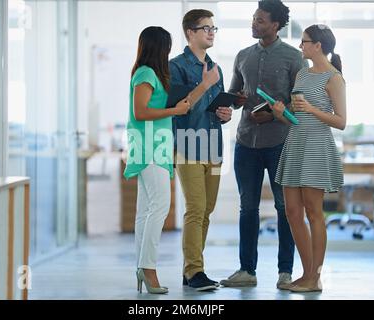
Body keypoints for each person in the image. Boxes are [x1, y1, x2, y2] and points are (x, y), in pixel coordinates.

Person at [124, 26, 220, 294]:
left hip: (158, 150)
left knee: (146, 211)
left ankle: (142, 267)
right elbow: (140, 112)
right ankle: (149, 268)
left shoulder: (155, 75)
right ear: (159, 47)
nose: (169, 52)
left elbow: (182, 105)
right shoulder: (145, 74)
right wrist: (174, 110)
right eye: (166, 47)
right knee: (159, 208)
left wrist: (203, 87)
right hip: (149, 149)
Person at [220, 0, 306, 290]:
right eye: (253, 18)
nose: (254, 23)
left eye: (260, 20)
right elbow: (232, 95)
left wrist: (274, 113)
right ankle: (247, 270)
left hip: (280, 143)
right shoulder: (243, 56)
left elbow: (300, 103)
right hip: (245, 142)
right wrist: (234, 102)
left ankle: (285, 272)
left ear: (275, 25)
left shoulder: (294, 58)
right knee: (247, 208)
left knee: (285, 208)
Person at [272, 24, 346, 292]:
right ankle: (305, 274)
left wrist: (312, 109)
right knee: (292, 212)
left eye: (304, 42)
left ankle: (315, 277)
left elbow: (341, 122)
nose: (300, 46)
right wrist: (281, 112)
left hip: (316, 147)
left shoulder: (333, 77)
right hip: (295, 144)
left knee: (315, 212)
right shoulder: (302, 74)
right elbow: (296, 115)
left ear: (318, 46)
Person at [170, 9, 232, 291]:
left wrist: (225, 113)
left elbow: (214, 105)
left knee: (206, 210)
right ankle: (195, 271)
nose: (211, 32)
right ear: (190, 33)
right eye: (205, 28)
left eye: (213, 28)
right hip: (187, 143)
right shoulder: (176, 67)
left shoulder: (216, 67)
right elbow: (179, 108)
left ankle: (192, 269)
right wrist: (205, 84)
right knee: (195, 209)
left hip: (213, 145)